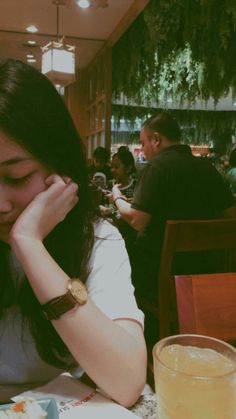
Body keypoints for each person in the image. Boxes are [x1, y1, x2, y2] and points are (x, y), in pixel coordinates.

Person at [0, 59, 146, 404]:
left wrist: (29, 245)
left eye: (17, 177)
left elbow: (126, 382)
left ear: (59, 168)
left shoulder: (97, 241)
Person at [109, 111, 236, 302]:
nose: (142, 150)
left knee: (114, 253)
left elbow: (137, 220)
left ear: (156, 139)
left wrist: (117, 197)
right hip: (204, 269)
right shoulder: (206, 168)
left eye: (143, 143)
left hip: (158, 273)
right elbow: (231, 214)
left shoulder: (156, 167)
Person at [100, 148, 138, 255]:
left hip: (130, 234)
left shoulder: (137, 186)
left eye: (116, 167)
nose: (112, 170)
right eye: (112, 167)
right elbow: (105, 208)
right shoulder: (109, 184)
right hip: (111, 232)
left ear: (128, 168)